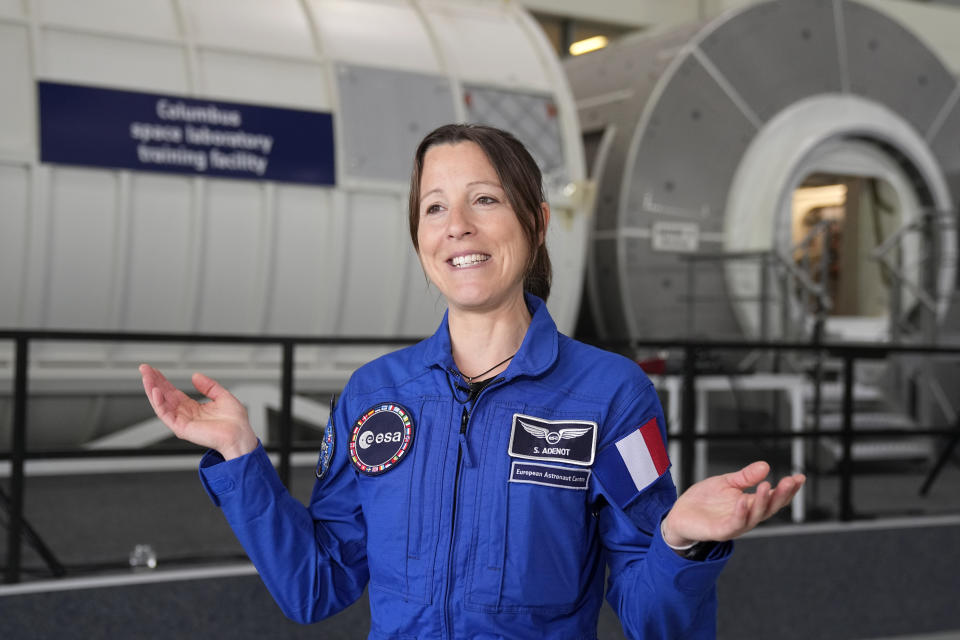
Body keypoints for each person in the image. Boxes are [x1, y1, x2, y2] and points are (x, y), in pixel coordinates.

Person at [139, 123, 804, 639]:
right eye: (434, 207)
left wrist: (680, 543)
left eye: (484, 199)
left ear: (537, 223)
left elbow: (651, 618)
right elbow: (316, 585)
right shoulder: (374, 396)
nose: (457, 224)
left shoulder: (611, 395)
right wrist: (240, 459)